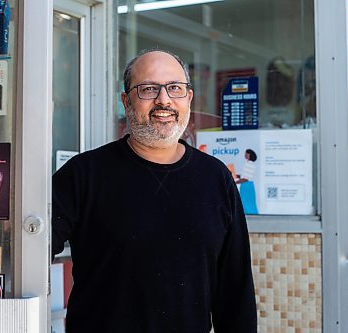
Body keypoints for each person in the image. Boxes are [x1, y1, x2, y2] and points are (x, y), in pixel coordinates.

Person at [51, 49, 257, 332]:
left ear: (189, 99)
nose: (164, 100)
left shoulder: (216, 178)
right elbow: (31, 246)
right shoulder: (84, 174)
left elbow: (236, 289)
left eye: (175, 88)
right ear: (126, 101)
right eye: (148, 89)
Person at [236, 149, 259, 214]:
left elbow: (246, 178)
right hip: (244, 185)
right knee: (244, 203)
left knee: (248, 203)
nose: (245, 155)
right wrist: (235, 175)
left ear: (250, 155)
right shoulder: (247, 163)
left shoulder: (250, 164)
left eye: (246, 153)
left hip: (247, 185)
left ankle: (253, 216)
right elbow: (244, 176)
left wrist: (235, 183)